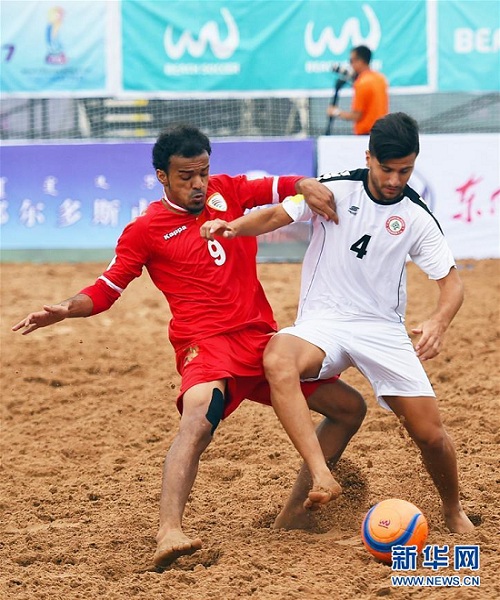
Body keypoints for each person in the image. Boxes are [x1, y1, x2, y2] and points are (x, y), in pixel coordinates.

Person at [12, 125, 367, 568]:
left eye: (202, 172)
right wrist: (66, 308)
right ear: (162, 176)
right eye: (185, 176)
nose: (198, 184)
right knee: (199, 420)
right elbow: (106, 288)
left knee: (350, 408)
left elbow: (283, 184)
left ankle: (296, 512)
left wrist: (307, 186)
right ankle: (169, 531)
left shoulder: (228, 191)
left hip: (261, 341)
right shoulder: (144, 230)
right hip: (206, 346)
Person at [200, 112, 475, 534]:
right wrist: (232, 228)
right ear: (369, 157)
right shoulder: (332, 187)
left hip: (381, 328)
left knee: (431, 435)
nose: (395, 179)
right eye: (387, 169)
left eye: (406, 170)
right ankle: (315, 481)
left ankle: (454, 510)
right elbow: (275, 216)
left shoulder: (416, 215)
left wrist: (439, 322)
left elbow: (451, 285)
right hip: (323, 322)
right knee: (277, 359)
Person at [327, 45, 388, 135]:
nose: (350, 65)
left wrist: (336, 112)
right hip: (382, 132)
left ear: (360, 61)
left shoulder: (362, 83)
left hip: (366, 134)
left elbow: (357, 115)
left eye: (351, 61)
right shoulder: (381, 79)